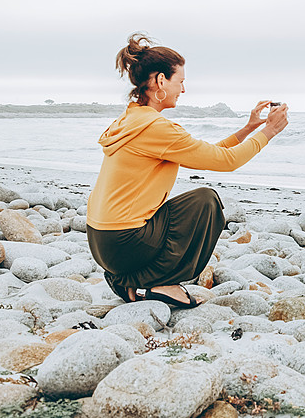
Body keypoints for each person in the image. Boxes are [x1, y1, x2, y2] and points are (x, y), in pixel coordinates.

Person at [86, 33, 288, 308]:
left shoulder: (131, 120)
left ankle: (130, 278)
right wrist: (270, 131)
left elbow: (212, 153)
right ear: (160, 81)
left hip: (101, 241)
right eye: (180, 81)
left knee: (193, 202)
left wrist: (249, 128)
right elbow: (227, 162)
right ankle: (147, 280)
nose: (183, 89)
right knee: (206, 201)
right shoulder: (156, 128)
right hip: (124, 243)